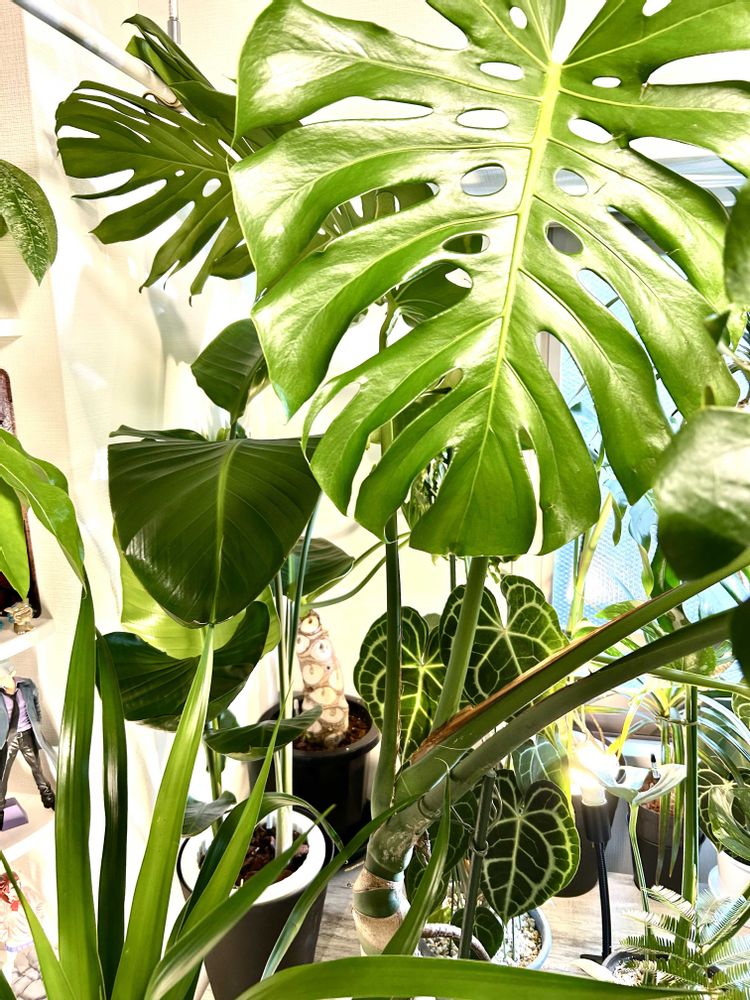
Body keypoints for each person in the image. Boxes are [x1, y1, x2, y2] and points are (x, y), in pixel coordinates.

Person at [0, 663, 55, 830]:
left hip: (27, 734)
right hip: (8, 739)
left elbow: (36, 705)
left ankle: (49, 798)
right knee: (2, 775)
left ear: (12, 673)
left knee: (37, 768)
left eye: (2, 676)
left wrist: (36, 723)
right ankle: (0, 809)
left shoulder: (27, 685)